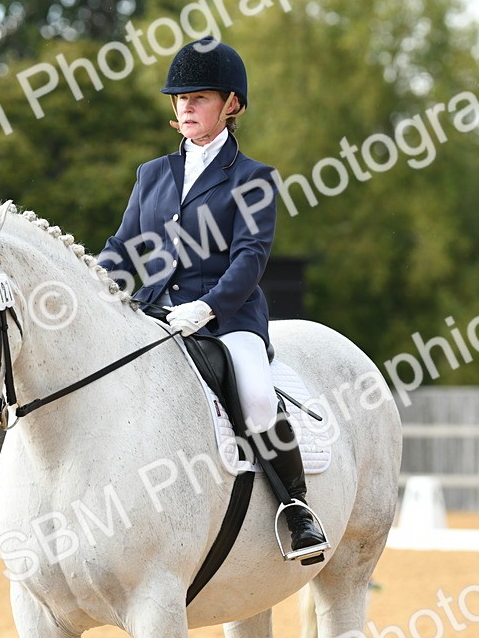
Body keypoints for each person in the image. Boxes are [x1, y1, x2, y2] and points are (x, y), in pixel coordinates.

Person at [98, 36, 329, 562]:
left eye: (199, 98)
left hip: (227, 316)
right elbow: (122, 246)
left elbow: (250, 258)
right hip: (155, 311)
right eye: (180, 99)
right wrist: (94, 283)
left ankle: (296, 508)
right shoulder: (152, 174)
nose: (186, 108)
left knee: (256, 396)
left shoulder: (253, 179)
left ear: (231, 104)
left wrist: (209, 307)